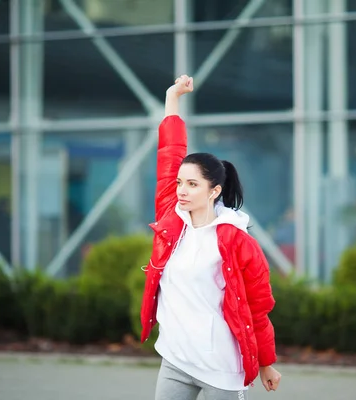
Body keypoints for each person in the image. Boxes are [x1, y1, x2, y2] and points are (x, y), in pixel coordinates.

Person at [139, 75, 282, 400]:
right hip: (175, 360)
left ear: (214, 191)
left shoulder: (238, 241)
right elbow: (170, 151)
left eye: (192, 185)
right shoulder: (171, 215)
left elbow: (257, 309)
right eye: (179, 183)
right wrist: (172, 97)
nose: (182, 191)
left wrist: (265, 363)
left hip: (221, 367)